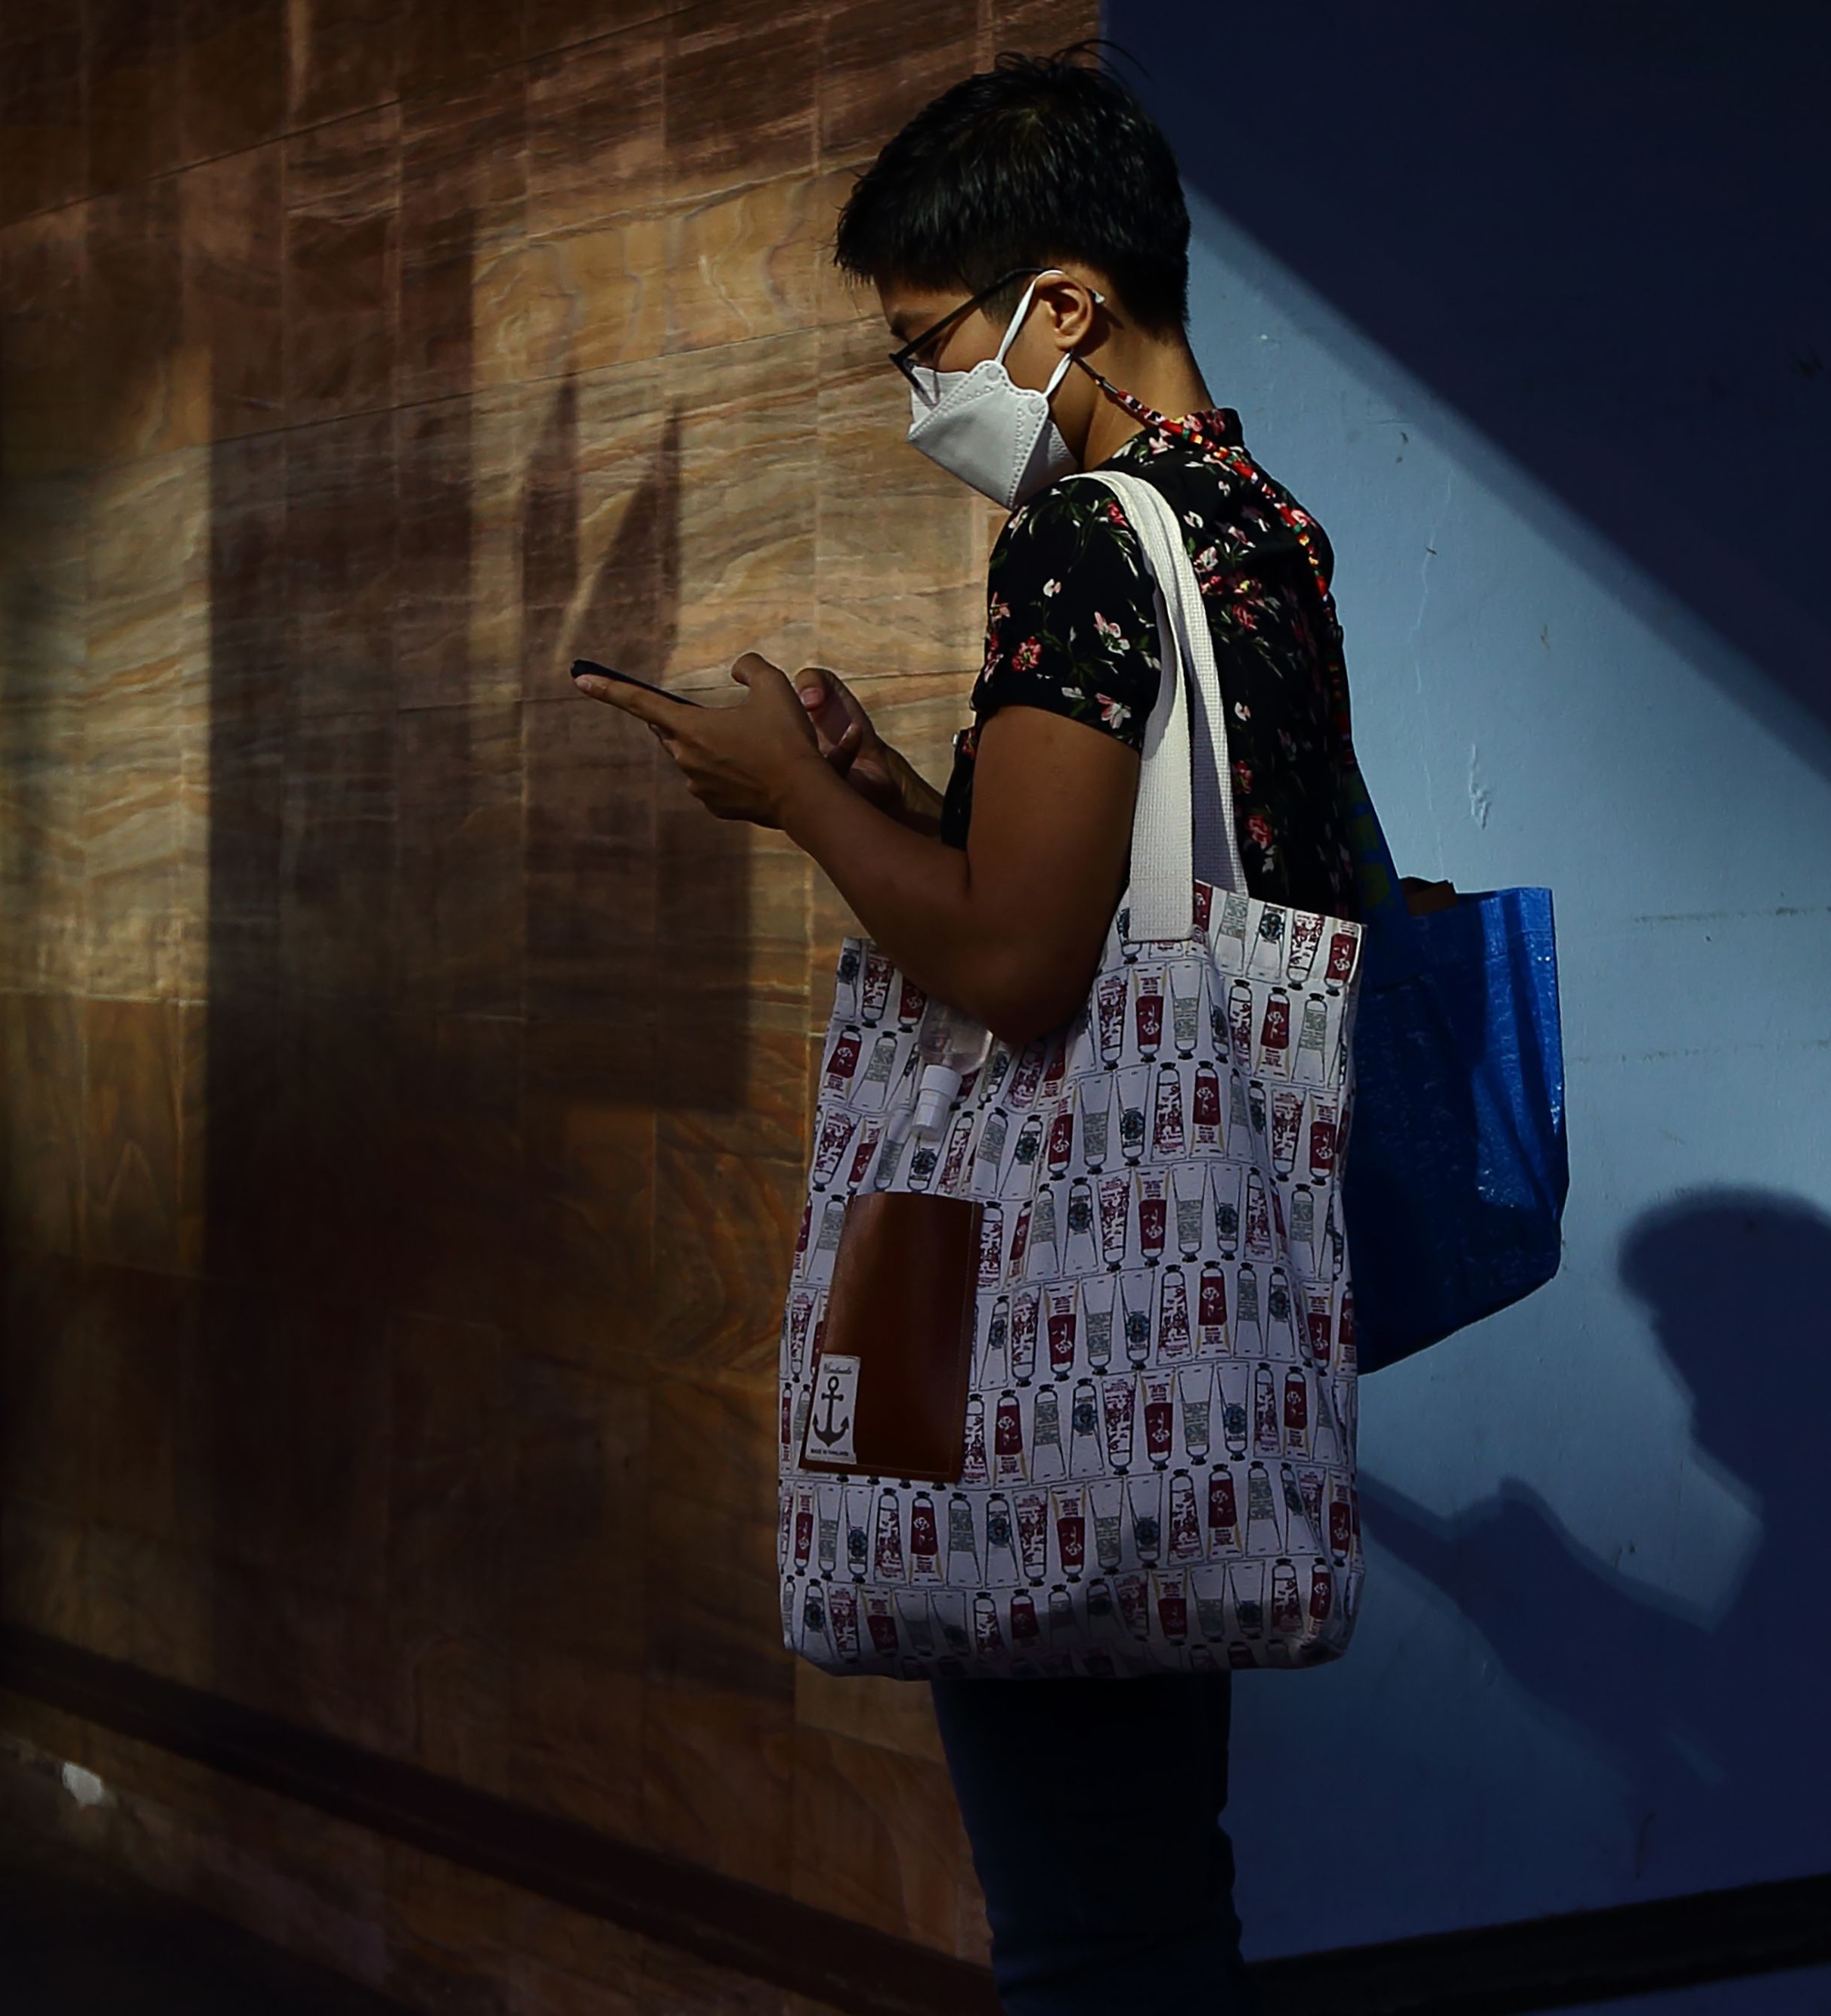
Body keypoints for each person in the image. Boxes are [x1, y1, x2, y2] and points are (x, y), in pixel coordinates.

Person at [574, 48, 1363, 2016]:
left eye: (934, 343)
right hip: (1194, 1305)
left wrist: (798, 798)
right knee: (1151, 1898)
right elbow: (1100, 897)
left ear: (1065, 306)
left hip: (1063, 1333)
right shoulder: (1253, 522)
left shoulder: (1091, 536)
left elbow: (1017, 969)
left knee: (1093, 1938)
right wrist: (898, 794)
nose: (922, 392)